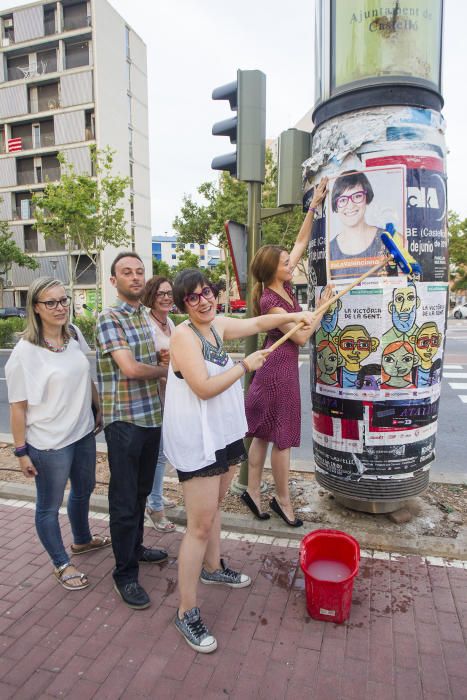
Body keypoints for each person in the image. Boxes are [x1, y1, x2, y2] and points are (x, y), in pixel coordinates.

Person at [162, 268, 318, 653]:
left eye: (207, 292)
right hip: (197, 439)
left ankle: (214, 569)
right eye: (193, 297)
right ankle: (186, 611)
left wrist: (294, 316)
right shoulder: (183, 336)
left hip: (223, 433)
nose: (204, 300)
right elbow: (202, 388)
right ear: (184, 304)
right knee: (198, 526)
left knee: (214, 509)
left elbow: (258, 321)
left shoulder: (216, 325)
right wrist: (244, 367)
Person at [5, 277, 109, 591]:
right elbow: (18, 408)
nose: (60, 308)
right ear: (35, 308)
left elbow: (85, 375)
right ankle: (62, 563)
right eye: (51, 302)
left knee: (84, 488)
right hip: (49, 444)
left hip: (82, 434)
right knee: (48, 505)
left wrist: (98, 406)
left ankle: (81, 540)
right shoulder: (24, 353)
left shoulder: (74, 334)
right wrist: (21, 451)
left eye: (64, 300)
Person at [243, 177, 333, 527]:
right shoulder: (271, 301)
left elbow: (299, 241)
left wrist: (314, 205)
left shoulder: (279, 286)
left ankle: (252, 492)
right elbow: (302, 336)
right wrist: (322, 307)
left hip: (271, 372)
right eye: (285, 263)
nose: (291, 263)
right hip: (278, 373)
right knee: (281, 441)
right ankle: (282, 500)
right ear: (272, 270)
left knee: (263, 435)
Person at [96, 252, 169, 610]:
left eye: (140, 272)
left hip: (151, 417)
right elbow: (129, 368)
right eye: (127, 272)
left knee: (140, 493)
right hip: (124, 421)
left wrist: (161, 362)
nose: (136, 277)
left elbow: (152, 359)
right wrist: (163, 370)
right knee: (124, 501)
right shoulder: (109, 317)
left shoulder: (142, 316)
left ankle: (136, 548)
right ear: (114, 281)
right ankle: (124, 575)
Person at [141, 275, 176, 532]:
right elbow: (140, 361)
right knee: (159, 454)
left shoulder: (170, 322)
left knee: (163, 452)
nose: (166, 297)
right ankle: (154, 504)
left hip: (170, 394)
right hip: (153, 396)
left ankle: (156, 494)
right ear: (151, 296)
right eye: (160, 293)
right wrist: (160, 362)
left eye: (169, 293)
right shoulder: (146, 324)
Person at [329, 170, 389, 278]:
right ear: (336, 205)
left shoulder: (390, 239)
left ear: (366, 197)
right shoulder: (329, 251)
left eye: (357, 196)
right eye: (342, 200)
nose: (350, 205)